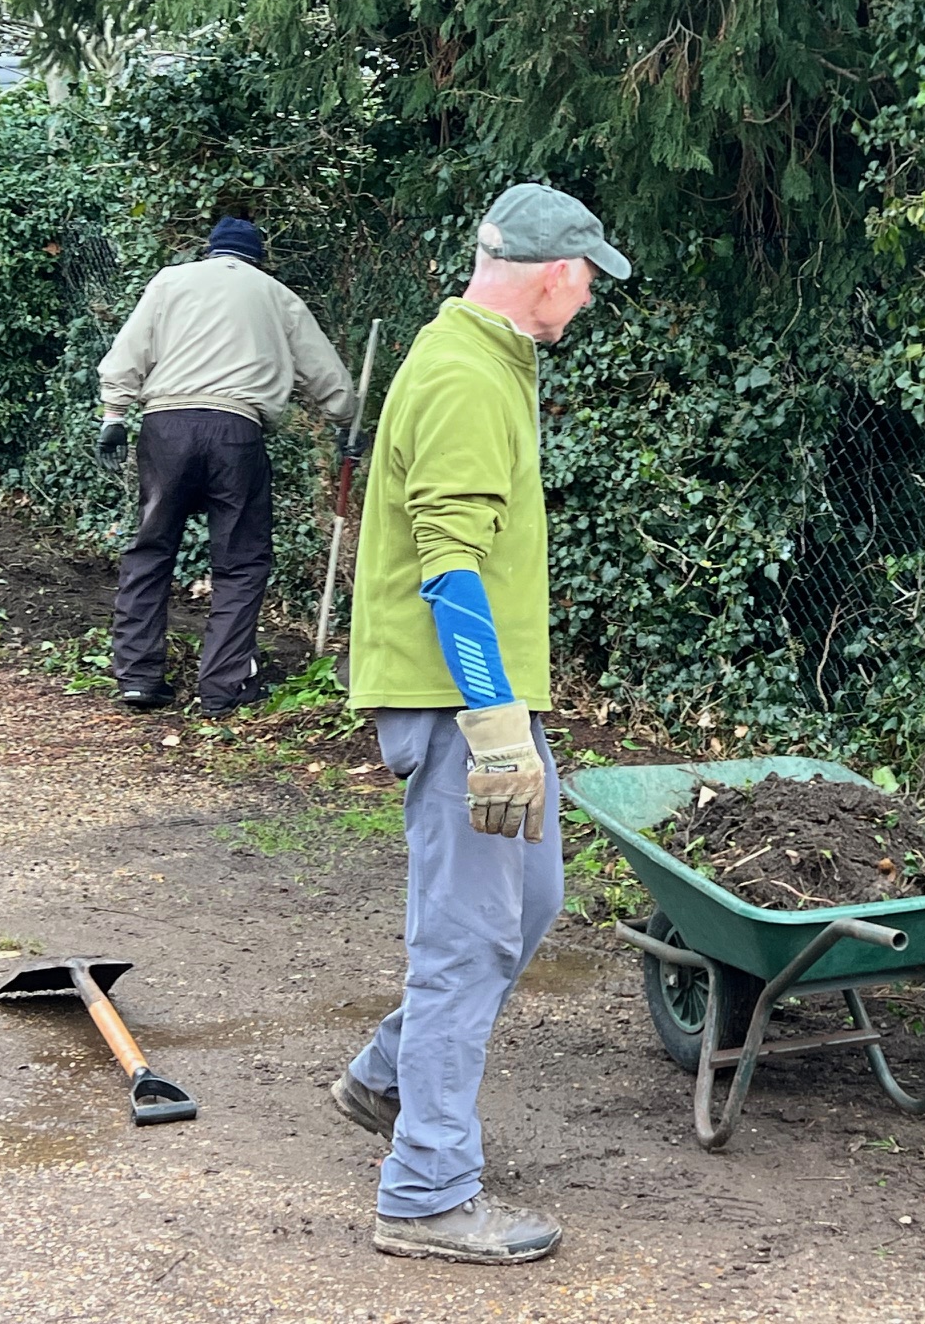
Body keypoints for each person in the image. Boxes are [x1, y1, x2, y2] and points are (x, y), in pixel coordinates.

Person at [327, 184, 629, 1264]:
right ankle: (425, 1192)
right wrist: (494, 722)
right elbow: (449, 564)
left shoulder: (483, 360)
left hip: (484, 699)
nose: (587, 299)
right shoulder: (463, 376)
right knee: (467, 940)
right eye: (587, 280)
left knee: (529, 902)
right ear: (556, 273)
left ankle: (387, 1078)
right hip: (464, 703)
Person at [96, 217, 356, 714]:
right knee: (240, 561)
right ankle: (223, 687)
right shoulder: (277, 295)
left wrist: (114, 414)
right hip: (237, 431)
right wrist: (347, 418)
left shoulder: (171, 281)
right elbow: (323, 370)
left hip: (166, 428)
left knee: (152, 548)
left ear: (210, 250)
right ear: (257, 258)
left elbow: (129, 348)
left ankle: (138, 676)